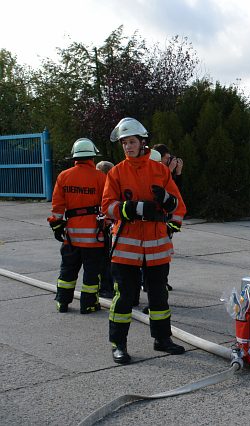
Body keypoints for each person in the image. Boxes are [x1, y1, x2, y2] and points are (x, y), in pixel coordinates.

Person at [103, 117, 186, 364]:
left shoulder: (160, 170)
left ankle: (162, 339)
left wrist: (168, 202)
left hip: (157, 246)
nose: (127, 147)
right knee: (124, 297)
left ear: (142, 142)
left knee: (159, 297)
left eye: (131, 142)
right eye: (124, 143)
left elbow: (179, 206)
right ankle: (118, 344)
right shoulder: (117, 172)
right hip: (126, 247)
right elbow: (107, 207)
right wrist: (133, 208)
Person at [47, 138, 106, 313]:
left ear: (74, 157)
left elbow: (57, 206)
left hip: (71, 236)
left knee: (68, 270)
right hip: (94, 237)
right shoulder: (101, 177)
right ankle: (88, 304)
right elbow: (107, 205)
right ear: (92, 157)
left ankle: (62, 302)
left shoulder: (64, 176)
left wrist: (57, 226)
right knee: (91, 273)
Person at [96, 160, 115, 298]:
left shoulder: (103, 186)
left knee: (104, 261)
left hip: (105, 229)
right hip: (112, 228)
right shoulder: (114, 185)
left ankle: (106, 287)